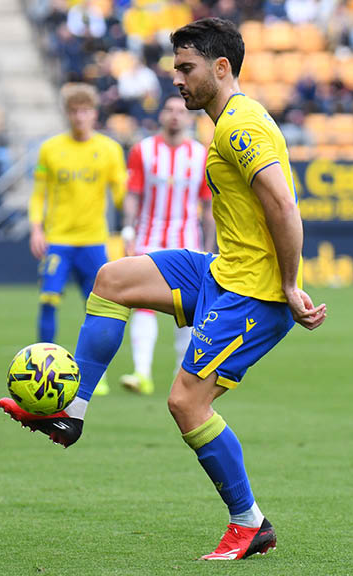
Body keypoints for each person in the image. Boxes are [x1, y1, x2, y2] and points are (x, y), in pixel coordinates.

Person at [0, 17, 326, 560]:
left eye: (186, 68)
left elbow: (284, 205)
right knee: (112, 278)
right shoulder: (226, 124)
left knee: (185, 403)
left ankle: (250, 524)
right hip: (221, 273)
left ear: (221, 68)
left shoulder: (240, 128)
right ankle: (71, 411)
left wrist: (290, 285)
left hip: (254, 295)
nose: (176, 79)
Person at [28, 82, 126, 396]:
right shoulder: (51, 149)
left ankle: (95, 375)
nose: (80, 117)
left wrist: (134, 227)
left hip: (95, 241)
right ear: (67, 114)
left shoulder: (109, 149)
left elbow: (123, 195)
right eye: (74, 111)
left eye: (85, 111)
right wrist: (36, 229)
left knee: (98, 308)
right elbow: (38, 194)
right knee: (48, 300)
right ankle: (45, 370)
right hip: (58, 239)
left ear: (94, 113)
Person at [118, 94, 215, 395]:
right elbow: (133, 194)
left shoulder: (201, 155)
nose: (175, 115)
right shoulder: (143, 151)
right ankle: (141, 373)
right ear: (161, 115)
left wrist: (209, 247)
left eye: (180, 110)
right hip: (149, 240)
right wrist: (127, 231)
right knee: (143, 305)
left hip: (187, 242)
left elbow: (208, 205)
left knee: (186, 311)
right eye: (169, 110)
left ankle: (181, 376)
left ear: (188, 118)